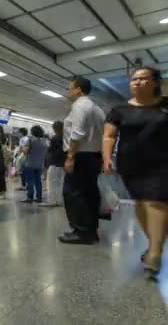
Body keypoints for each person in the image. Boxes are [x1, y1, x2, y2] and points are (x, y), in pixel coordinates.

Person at [104, 67, 168, 281]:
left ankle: (155, 254)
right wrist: (106, 158)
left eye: (143, 78)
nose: (138, 82)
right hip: (131, 165)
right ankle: (154, 244)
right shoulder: (119, 110)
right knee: (140, 203)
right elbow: (109, 136)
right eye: (134, 79)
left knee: (155, 202)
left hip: (162, 164)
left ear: (155, 82)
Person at [59, 76, 105, 245]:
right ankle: (91, 231)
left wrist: (70, 157)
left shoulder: (79, 106)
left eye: (70, 88)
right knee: (89, 195)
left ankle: (81, 232)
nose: (68, 91)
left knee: (74, 194)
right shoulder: (96, 108)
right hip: (93, 156)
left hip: (81, 156)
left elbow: (77, 134)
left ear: (78, 89)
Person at [40, 121, 66, 207]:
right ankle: (60, 200)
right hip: (64, 164)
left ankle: (52, 201)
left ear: (55, 129)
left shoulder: (55, 138)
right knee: (61, 183)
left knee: (51, 183)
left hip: (55, 163)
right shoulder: (67, 137)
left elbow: (50, 151)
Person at [21, 125, 48, 203]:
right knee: (38, 181)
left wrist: (22, 149)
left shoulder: (30, 140)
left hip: (29, 164)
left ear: (32, 132)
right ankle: (39, 197)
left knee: (30, 181)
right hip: (39, 164)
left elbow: (25, 151)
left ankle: (30, 197)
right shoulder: (44, 141)